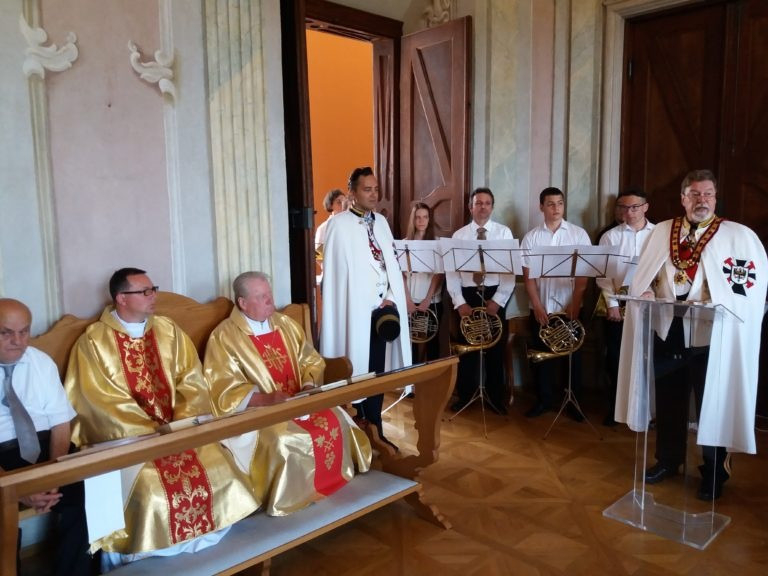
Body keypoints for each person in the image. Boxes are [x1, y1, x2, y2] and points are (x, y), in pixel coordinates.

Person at [64, 268, 259, 566]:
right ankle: (147, 553)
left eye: (152, 289)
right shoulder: (93, 342)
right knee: (151, 488)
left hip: (179, 430)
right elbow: (98, 400)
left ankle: (206, 545)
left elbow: (191, 379)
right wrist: (149, 430)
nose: (153, 296)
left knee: (218, 465)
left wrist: (181, 422)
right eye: (144, 292)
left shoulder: (168, 331)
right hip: (130, 440)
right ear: (121, 298)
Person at [617, 170, 768, 500]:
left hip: (711, 334)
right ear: (684, 198)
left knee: (712, 404)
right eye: (696, 194)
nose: (703, 200)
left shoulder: (736, 236)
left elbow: (747, 291)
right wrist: (645, 291)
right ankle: (668, 460)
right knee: (669, 399)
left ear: (715, 197)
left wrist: (720, 299)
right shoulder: (662, 232)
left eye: (708, 194)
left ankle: (714, 472)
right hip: (668, 327)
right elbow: (647, 275)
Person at [203, 271, 372, 516]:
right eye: (261, 297)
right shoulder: (224, 337)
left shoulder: (285, 325)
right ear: (242, 303)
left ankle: (330, 482)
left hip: (299, 401)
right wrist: (266, 399)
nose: (270, 300)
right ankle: (291, 497)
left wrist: (308, 386)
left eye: (269, 294)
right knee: (284, 440)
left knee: (336, 418)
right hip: (258, 411)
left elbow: (310, 360)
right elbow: (221, 387)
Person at [320, 167, 412, 450]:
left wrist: (391, 297)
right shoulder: (339, 225)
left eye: (376, 189)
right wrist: (368, 299)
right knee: (356, 370)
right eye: (367, 189)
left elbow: (390, 265)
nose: (373, 195)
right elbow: (338, 277)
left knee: (377, 372)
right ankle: (356, 433)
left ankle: (375, 428)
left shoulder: (381, 222)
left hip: (382, 310)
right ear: (352, 192)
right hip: (354, 313)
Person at [0, 298, 91, 576]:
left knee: (93, 490)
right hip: (3, 453)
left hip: (44, 446)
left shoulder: (40, 362)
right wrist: (15, 489)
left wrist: (53, 477)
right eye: (6, 333)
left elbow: (60, 424)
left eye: (24, 331)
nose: (17, 341)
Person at [522, 187, 592, 420]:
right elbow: (528, 278)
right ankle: (544, 400)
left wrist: (576, 304)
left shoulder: (578, 234)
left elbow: (583, 275)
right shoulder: (531, 237)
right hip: (542, 307)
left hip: (570, 306)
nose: (556, 208)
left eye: (560, 203)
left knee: (572, 358)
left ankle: (573, 402)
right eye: (551, 204)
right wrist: (537, 306)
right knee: (542, 357)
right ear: (541, 207)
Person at [445, 187, 515, 414]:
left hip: (495, 294)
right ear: (470, 207)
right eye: (478, 203)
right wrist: (459, 302)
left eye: (487, 203)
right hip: (467, 295)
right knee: (468, 349)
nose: (482, 207)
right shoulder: (459, 236)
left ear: (492, 207)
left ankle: (495, 397)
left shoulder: (504, 233)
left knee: (495, 349)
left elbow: (510, 271)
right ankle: (466, 395)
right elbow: (451, 274)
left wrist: (499, 300)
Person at [595, 189, 654, 426]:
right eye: (624, 207)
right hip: (617, 306)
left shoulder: (658, 234)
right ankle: (616, 410)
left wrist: (654, 292)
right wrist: (611, 304)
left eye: (634, 207)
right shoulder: (610, 237)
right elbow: (603, 275)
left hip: (649, 305)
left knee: (646, 359)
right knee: (616, 360)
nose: (629, 212)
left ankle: (645, 412)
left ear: (645, 207)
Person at [403, 202, 444, 362]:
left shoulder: (438, 243)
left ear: (429, 219)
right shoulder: (404, 243)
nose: (421, 221)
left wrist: (427, 299)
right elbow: (401, 275)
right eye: (418, 217)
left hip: (431, 301)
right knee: (410, 345)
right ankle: (412, 376)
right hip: (410, 301)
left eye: (425, 217)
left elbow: (439, 275)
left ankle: (432, 376)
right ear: (412, 220)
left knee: (432, 345)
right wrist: (407, 300)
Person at [314, 188, 347, 253]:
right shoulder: (323, 228)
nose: (343, 205)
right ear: (330, 205)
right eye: (339, 202)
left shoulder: (351, 225)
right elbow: (319, 254)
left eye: (344, 202)